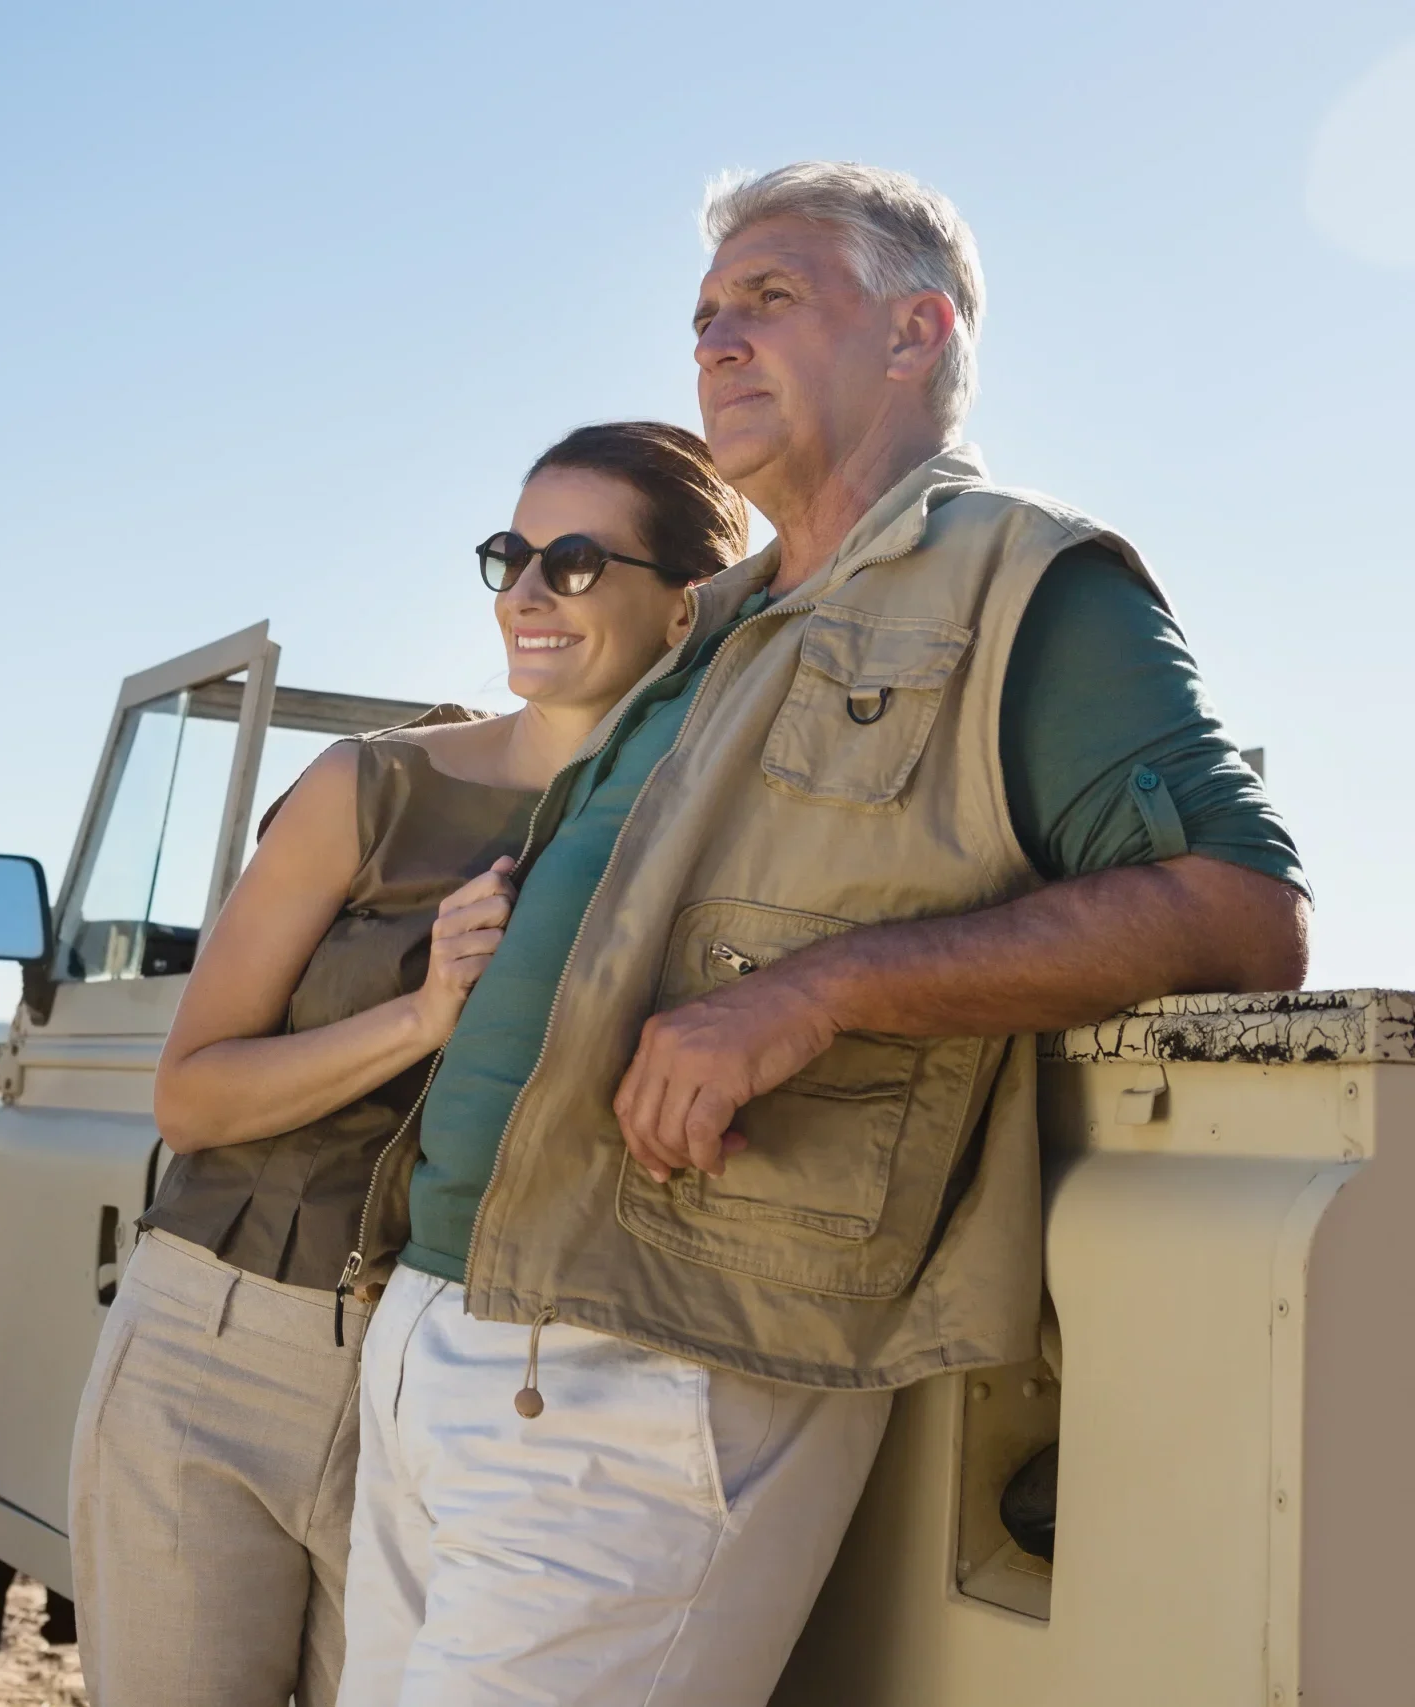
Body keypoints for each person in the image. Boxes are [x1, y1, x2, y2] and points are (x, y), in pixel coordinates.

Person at [338, 161, 1312, 1707]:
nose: (717, 341)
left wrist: (823, 991)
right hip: (442, 1323)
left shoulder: (1019, 576)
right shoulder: (710, 623)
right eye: (706, 315)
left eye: (772, 300)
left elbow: (1241, 911)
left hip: (647, 1365)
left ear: (918, 330)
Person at [66, 423, 753, 1707]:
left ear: (683, 614)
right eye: (511, 556)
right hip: (224, 1351)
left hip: (478, 1402)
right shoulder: (369, 789)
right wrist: (419, 1016)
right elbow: (192, 1091)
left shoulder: (706, 851)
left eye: (577, 560)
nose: (527, 592)